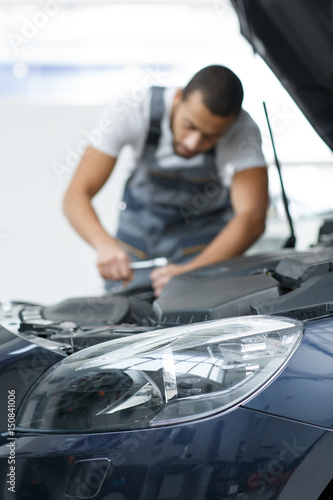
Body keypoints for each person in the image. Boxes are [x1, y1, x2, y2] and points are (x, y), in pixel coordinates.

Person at [63, 65, 268, 296]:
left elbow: (252, 217)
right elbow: (76, 195)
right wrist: (104, 245)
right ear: (179, 97)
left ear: (231, 123)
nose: (193, 143)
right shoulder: (133, 110)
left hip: (204, 253)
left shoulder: (243, 131)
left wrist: (192, 271)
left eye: (210, 136)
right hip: (135, 253)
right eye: (189, 125)